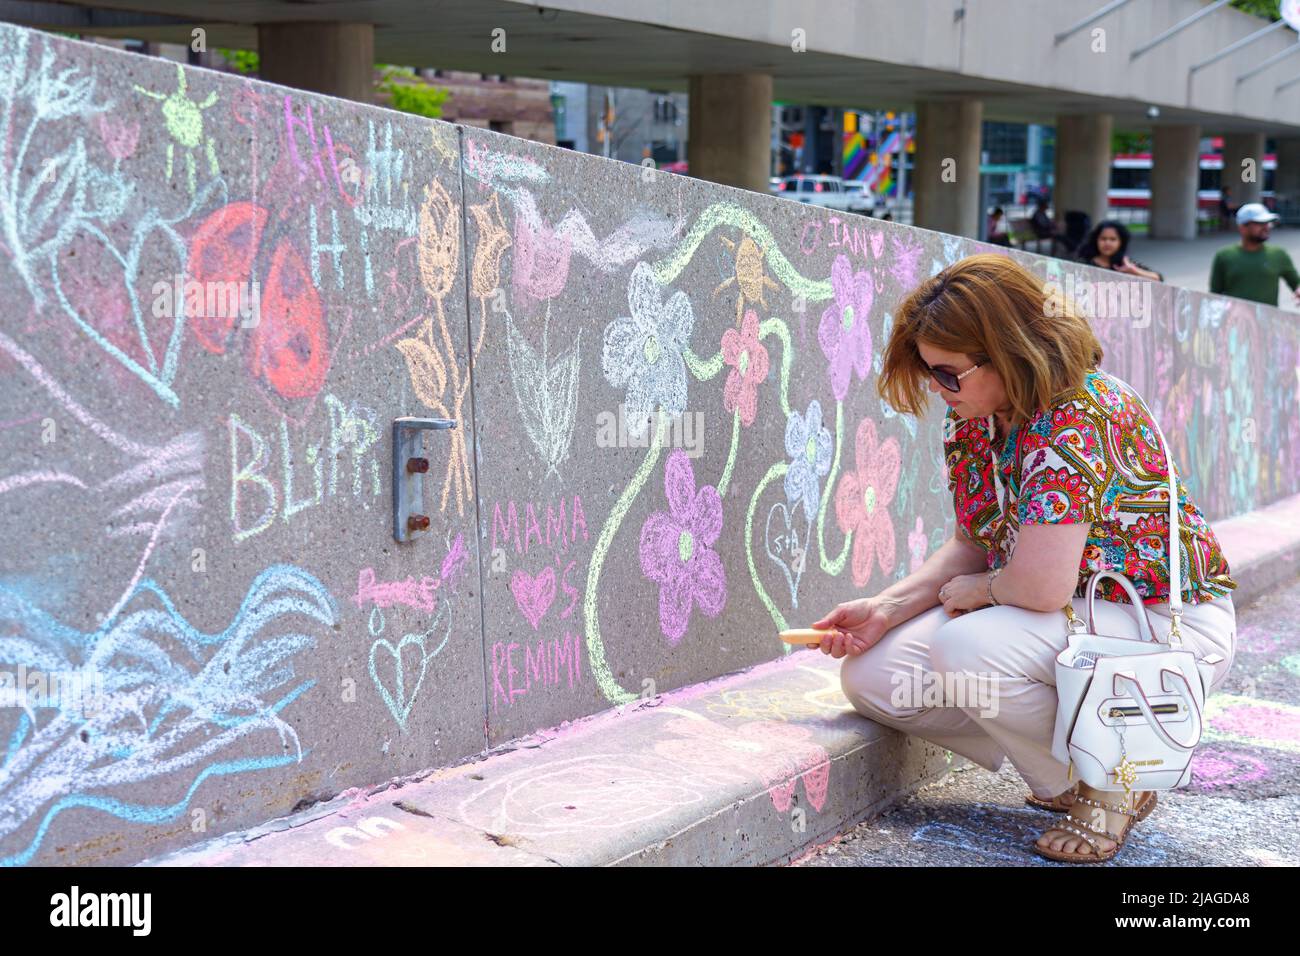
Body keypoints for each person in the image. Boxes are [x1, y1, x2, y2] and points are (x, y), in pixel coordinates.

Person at [810, 253, 1238, 863]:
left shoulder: (1075, 417)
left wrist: (981, 591)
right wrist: (886, 608)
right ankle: (1078, 775)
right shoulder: (976, 424)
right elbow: (974, 544)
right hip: (1071, 621)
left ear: (1006, 352)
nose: (938, 389)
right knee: (877, 677)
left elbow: (1037, 586)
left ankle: (1113, 780)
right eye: (931, 372)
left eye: (948, 373)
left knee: (966, 647)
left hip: (1160, 626)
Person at [1209, 202, 1300, 307]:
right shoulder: (1224, 256)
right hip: (1235, 321)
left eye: (1268, 223)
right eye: (1260, 223)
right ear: (1242, 227)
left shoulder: (1279, 254)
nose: (1266, 227)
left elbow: (1296, 282)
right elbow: (1214, 295)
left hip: (1267, 321)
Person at [1075, 219, 1163, 281]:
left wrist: (1134, 271)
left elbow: (1158, 279)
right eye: (1103, 239)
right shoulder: (1084, 264)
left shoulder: (1125, 264)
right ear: (1096, 240)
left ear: (1121, 242)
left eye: (1113, 239)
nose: (1107, 243)